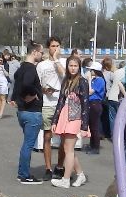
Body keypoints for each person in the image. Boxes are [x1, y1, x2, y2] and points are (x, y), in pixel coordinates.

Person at [50, 54, 91, 188]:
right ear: (67, 67)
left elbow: (85, 104)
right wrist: (54, 121)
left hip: (76, 117)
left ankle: (66, 179)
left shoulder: (82, 81)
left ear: (79, 67)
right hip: (64, 115)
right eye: (71, 65)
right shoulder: (66, 81)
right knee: (67, 148)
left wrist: (84, 126)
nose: (73, 68)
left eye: (75, 66)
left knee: (69, 149)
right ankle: (80, 174)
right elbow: (60, 102)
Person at [13, 43, 45, 184]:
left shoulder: (21, 68)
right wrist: (33, 94)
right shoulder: (31, 69)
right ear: (34, 52)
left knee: (26, 143)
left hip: (22, 111)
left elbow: (17, 82)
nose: (42, 55)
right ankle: (24, 174)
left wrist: (17, 97)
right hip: (32, 112)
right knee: (28, 145)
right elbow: (26, 84)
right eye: (41, 52)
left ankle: (22, 172)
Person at [37, 38, 66, 176]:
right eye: (53, 46)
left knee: (63, 138)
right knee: (47, 136)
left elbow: (66, 76)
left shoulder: (64, 62)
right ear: (48, 47)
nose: (55, 48)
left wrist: (56, 60)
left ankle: (60, 166)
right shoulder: (42, 65)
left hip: (61, 104)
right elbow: (37, 85)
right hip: (47, 103)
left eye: (57, 46)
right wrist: (44, 90)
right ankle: (48, 167)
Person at [86, 60, 105, 154]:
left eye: (91, 70)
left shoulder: (100, 80)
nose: (90, 72)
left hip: (95, 103)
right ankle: (92, 145)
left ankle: (95, 147)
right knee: (91, 126)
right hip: (90, 103)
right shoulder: (95, 79)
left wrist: (89, 80)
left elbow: (90, 92)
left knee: (95, 126)